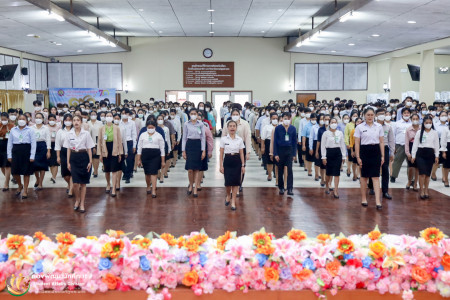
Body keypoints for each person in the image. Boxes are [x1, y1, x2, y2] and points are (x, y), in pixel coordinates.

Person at [354, 107, 384, 210]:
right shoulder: (359, 127)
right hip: (364, 151)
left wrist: (382, 155)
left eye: (372, 115)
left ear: (374, 115)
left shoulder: (379, 126)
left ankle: (378, 201)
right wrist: (358, 156)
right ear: (364, 115)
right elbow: (357, 142)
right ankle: (363, 198)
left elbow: (381, 142)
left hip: (375, 151)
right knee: (364, 177)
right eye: (368, 115)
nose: (370, 117)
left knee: (376, 177)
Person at [64, 115, 94, 213]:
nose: (76, 122)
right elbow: (68, 149)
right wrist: (68, 162)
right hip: (73, 157)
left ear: (81, 122)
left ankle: (82, 203)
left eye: (78, 120)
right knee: (75, 183)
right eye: (74, 120)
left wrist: (90, 161)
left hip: (84, 156)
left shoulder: (86, 133)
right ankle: (77, 199)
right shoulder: (69, 134)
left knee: (83, 183)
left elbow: (89, 148)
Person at [7, 114, 36, 199]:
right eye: (20, 119)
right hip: (16, 151)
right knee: (15, 172)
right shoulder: (13, 130)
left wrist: (32, 155)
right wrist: (9, 155)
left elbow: (33, 143)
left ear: (27, 121)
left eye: (23, 119)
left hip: (26, 150)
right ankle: (20, 185)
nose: (21, 120)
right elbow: (9, 144)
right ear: (17, 120)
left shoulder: (30, 130)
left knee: (26, 172)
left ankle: (25, 190)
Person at [368, 108, 395, 200]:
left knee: (385, 169)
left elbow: (391, 140)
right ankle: (371, 187)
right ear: (376, 115)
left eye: (383, 113)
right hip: (374, 148)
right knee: (373, 168)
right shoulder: (372, 126)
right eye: (379, 114)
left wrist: (392, 152)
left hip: (385, 148)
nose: (382, 115)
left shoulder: (388, 127)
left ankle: (385, 191)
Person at [411, 116, 440, 199]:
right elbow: (415, 144)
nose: (428, 124)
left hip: (430, 154)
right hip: (421, 153)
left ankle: (426, 190)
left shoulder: (434, 133)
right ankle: (421, 190)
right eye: (426, 123)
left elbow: (437, 145)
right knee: (422, 173)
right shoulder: (419, 132)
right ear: (423, 123)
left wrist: (437, 155)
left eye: (430, 123)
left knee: (427, 174)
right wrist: (413, 155)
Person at [219, 120, 245, 211]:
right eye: (230, 126)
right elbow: (221, 153)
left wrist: (243, 165)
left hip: (237, 161)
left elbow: (242, 153)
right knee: (228, 183)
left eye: (234, 126)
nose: (232, 128)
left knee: (235, 182)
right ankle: (228, 195)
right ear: (227, 128)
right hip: (228, 161)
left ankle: (233, 201)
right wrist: (221, 165)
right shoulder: (224, 139)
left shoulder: (240, 139)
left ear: (236, 128)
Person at [97, 112, 124, 197]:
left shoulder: (116, 128)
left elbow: (120, 141)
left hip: (114, 149)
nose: (109, 117)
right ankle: (108, 184)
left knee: (114, 170)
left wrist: (120, 153)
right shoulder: (101, 128)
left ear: (112, 118)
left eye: (110, 116)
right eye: (107, 116)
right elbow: (99, 141)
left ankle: (114, 187)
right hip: (105, 149)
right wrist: (100, 154)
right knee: (107, 170)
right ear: (105, 118)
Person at [137, 120, 166, 198]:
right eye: (149, 127)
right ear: (146, 127)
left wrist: (163, 161)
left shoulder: (159, 135)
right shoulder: (142, 135)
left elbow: (162, 149)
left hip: (155, 155)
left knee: (154, 172)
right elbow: (139, 148)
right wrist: (139, 159)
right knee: (147, 173)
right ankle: (148, 186)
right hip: (145, 155)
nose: (150, 129)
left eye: (152, 127)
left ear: (155, 127)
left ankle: (153, 189)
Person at [182, 108, 206, 197]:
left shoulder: (201, 124)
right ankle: (190, 185)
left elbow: (203, 138)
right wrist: (183, 150)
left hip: (198, 145)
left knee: (196, 169)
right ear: (189, 114)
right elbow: (184, 138)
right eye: (191, 113)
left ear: (197, 114)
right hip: (189, 145)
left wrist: (203, 150)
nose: (193, 115)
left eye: (194, 113)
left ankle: (195, 187)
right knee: (190, 169)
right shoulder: (186, 124)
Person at [272, 112, 297, 196]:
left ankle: (290, 188)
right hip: (280, 150)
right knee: (280, 170)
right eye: (285, 118)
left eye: (288, 118)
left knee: (290, 170)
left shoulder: (293, 128)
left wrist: (294, 154)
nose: (286, 120)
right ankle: (281, 187)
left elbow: (294, 142)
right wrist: (275, 154)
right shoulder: (278, 128)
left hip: (289, 150)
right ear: (282, 119)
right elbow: (275, 141)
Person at [321, 117, 346, 197]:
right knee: (328, 173)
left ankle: (336, 190)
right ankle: (327, 185)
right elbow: (323, 146)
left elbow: (342, 145)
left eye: (335, 122)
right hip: (329, 153)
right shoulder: (325, 133)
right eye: (332, 122)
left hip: (337, 153)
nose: (334, 124)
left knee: (336, 173)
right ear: (329, 123)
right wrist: (323, 157)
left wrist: (343, 156)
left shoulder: (340, 133)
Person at [390, 107, 412, 183]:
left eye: (408, 113)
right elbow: (393, 135)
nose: (406, 114)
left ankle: (411, 179)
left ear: (410, 114)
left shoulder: (412, 123)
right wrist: (394, 147)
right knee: (397, 161)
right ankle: (393, 176)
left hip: (410, 146)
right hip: (400, 145)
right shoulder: (397, 123)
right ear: (402, 114)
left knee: (411, 163)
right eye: (405, 113)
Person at [55, 114, 74, 197]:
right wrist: (58, 156)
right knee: (65, 173)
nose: (68, 121)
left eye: (70, 120)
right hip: (63, 151)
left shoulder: (75, 130)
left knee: (73, 172)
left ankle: (71, 189)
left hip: (74, 151)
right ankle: (70, 184)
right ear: (63, 121)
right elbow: (57, 145)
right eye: (66, 120)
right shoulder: (60, 131)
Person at [31, 113, 51, 190]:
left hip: (43, 146)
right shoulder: (31, 128)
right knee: (35, 165)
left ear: (43, 119)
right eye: (37, 117)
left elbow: (48, 139)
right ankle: (37, 179)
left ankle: (41, 183)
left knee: (42, 165)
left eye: (40, 118)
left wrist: (48, 151)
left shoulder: (45, 128)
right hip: (34, 146)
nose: (38, 119)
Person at [197, 110, 214, 190]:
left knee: (200, 167)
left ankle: (198, 182)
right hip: (192, 148)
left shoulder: (205, 127)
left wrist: (210, 151)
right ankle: (192, 182)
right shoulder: (188, 126)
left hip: (203, 148)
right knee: (192, 167)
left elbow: (210, 139)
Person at [119, 108, 137, 184]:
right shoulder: (118, 122)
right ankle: (126, 173)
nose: (124, 115)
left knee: (130, 160)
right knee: (121, 159)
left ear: (128, 114)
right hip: (121, 142)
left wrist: (134, 145)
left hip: (129, 141)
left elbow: (134, 134)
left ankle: (128, 176)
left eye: (125, 113)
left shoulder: (132, 123)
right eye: (122, 113)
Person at [404, 113, 421, 191]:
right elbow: (406, 142)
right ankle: (409, 181)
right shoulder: (408, 129)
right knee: (411, 167)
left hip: (419, 148)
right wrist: (408, 153)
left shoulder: (421, 128)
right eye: (413, 119)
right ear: (411, 120)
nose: (415, 120)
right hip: (411, 146)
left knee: (417, 167)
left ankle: (415, 184)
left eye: (416, 119)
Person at [261, 113, 278, 181]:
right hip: (268, 142)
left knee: (277, 160)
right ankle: (269, 174)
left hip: (277, 144)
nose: (275, 120)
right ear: (270, 119)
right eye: (273, 118)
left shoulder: (280, 127)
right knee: (269, 160)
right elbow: (263, 138)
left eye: (276, 119)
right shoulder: (266, 127)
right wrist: (262, 147)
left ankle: (276, 174)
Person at [0, 112, 15, 191]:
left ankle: (6, 183)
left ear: (8, 119)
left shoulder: (11, 126)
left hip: (8, 145)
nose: (3, 121)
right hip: (0, 145)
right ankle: (8, 178)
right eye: (2, 119)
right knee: (2, 165)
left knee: (7, 165)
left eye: (5, 119)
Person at [88, 111, 103, 178]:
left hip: (97, 142)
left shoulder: (100, 123)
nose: (93, 115)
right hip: (88, 143)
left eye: (94, 114)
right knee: (91, 157)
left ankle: (96, 171)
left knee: (96, 157)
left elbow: (102, 132)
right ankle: (92, 170)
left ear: (97, 115)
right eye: (92, 114)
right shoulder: (87, 123)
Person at [47, 114, 60, 184]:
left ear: (55, 120)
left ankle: (54, 177)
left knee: (55, 162)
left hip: (56, 144)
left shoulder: (58, 127)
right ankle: (52, 175)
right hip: (48, 145)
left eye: (53, 120)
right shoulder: (46, 127)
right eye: (50, 120)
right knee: (50, 162)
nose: (51, 121)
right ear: (48, 120)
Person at [344, 111, 358, 178]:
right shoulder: (348, 124)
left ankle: (355, 174)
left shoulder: (359, 124)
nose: (355, 117)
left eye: (356, 116)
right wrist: (347, 143)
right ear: (351, 117)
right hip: (350, 143)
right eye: (354, 116)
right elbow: (346, 134)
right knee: (350, 159)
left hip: (358, 143)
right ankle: (349, 169)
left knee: (355, 161)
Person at [441, 120, 450, 187]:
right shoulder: (446, 129)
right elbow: (443, 140)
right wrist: (443, 151)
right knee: (447, 165)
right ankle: (446, 180)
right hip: (448, 147)